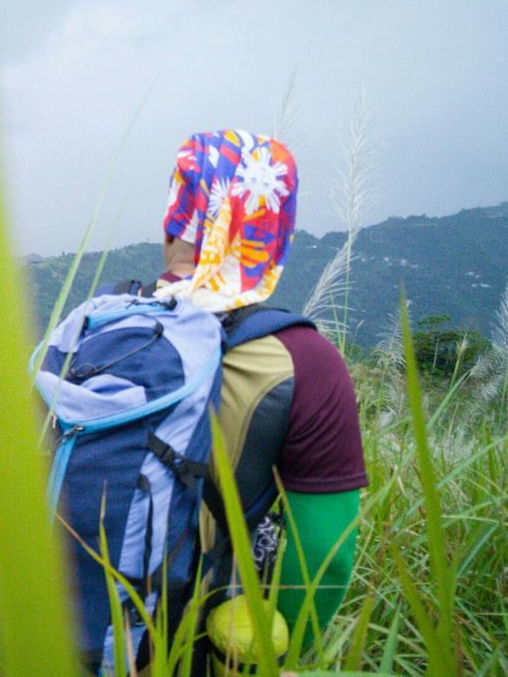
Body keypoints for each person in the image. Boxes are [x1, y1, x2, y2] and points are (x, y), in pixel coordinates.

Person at [154, 129, 368, 671]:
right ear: (276, 227)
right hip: (203, 644)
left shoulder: (85, 332)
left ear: (177, 216)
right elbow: (326, 553)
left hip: (69, 635)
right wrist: (290, 653)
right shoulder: (305, 361)